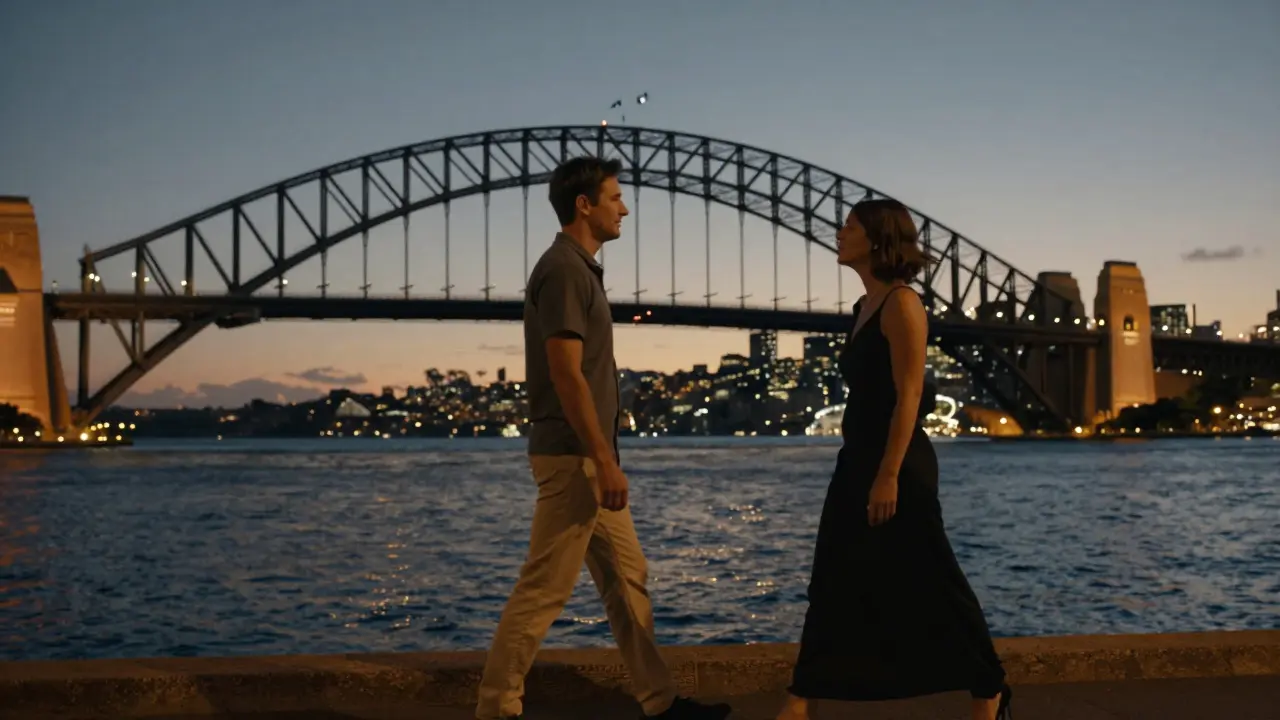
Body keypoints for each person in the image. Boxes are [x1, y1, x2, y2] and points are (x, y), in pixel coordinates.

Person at [475, 155, 732, 720]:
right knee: (543, 591)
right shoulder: (565, 269)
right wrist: (601, 458)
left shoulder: (578, 268)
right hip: (575, 459)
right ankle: (497, 710)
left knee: (626, 579)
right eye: (615, 197)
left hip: (588, 457)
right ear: (584, 205)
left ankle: (661, 702)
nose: (625, 207)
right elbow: (565, 372)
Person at [774, 199, 1013, 720]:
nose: (838, 234)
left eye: (849, 226)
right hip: (855, 461)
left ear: (878, 238)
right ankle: (800, 698)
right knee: (833, 579)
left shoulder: (903, 305)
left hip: (897, 467)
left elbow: (909, 397)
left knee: (934, 579)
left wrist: (887, 476)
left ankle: (989, 688)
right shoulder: (863, 308)